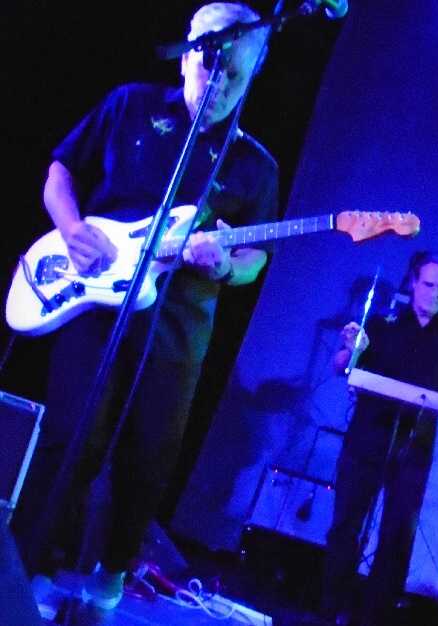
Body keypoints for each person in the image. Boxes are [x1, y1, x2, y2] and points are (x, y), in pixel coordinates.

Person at [11, 2, 278, 611]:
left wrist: (223, 264)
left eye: (236, 75)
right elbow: (60, 170)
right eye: (210, 67)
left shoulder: (254, 165)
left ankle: (110, 576)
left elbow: (254, 259)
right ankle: (29, 573)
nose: (219, 85)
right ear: (187, 54)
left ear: (255, 71)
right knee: (69, 439)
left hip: (179, 327)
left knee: (148, 455)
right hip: (95, 305)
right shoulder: (130, 105)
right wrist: (72, 227)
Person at [319, 251, 438, 626]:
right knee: (346, 526)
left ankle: (374, 617)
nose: (434, 294)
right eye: (429, 285)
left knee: (397, 535)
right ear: (413, 282)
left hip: (414, 449)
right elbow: (343, 368)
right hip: (367, 439)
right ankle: (328, 610)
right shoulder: (383, 324)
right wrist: (348, 350)